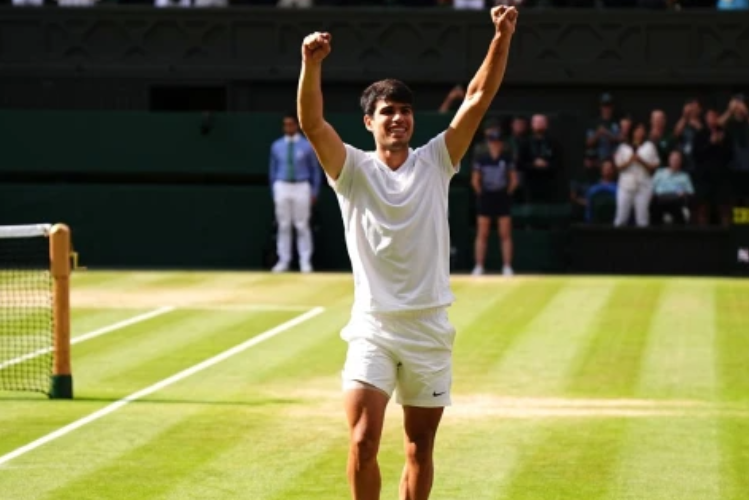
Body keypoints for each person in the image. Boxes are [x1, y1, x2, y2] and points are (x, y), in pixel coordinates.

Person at [295, 6, 518, 500]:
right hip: (373, 327)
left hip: (429, 328)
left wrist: (501, 36)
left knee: (419, 448)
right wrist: (312, 64)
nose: (398, 118)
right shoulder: (351, 169)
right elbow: (312, 123)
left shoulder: (438, 159)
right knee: (362, 441)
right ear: (369, 122)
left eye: (404, 111)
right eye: (387, 112)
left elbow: (478, 97)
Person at [268, 112, 321, 273]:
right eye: (286, 124)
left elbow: (315, 170)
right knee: (283, 225)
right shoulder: (276, 146)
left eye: (291, 124)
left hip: (302, 185)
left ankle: (305, 262)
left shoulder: (307, 145)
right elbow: (272, 170)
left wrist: (314, 191)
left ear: (297, 125)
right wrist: (274, 189)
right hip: (282, 185)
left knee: (302, 225)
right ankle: (283, 260)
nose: (288, 127)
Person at [471, 131, 517, 276]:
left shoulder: (507, 158)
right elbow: (475, 180)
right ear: (488, 143)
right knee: (482, 233)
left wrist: (506, 193)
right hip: (486, 197)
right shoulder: (481, 159)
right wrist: (481, 193)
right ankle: (479, 266)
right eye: (492, 141)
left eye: (497, 141)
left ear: (501, 143)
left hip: (502, 197)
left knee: (505, 234)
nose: (495, 144)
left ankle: (507, 267)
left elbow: (513, 180)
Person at [613, 121, 660, 227]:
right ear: (633, 132)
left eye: (642, 130)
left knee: (642, 220)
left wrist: (641, 161)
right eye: (637, 130)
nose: (640, 133)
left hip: (643, 186)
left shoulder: (649, 146)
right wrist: (629, 161)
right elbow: (618, 167)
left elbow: (654, 166)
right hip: (626, 186)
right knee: (621, 218)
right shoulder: (623, 147)